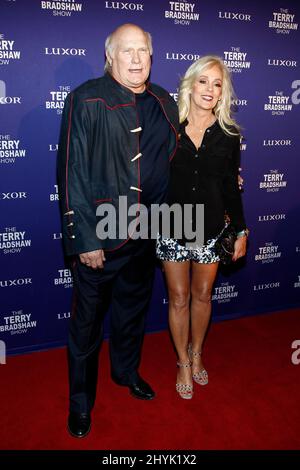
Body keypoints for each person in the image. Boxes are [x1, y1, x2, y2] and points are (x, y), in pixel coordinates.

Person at [57, 23, 178, 437]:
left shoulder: (164, 101)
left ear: (152, 54)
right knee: (87, 327)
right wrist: (85, 239)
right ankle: (81, 403)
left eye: (142, 50)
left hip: (146, 236)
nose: (135, 59)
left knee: (131, 316)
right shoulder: (85, 98)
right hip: (102, 241)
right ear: (109, 56)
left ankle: (126, 374)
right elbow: (72, 173)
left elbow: (174, 163)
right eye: (126, 51)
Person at [156, 56, 248, 399]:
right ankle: (181, 360)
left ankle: (197, 354)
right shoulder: (168, 126)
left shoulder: (228, 135)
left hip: (209, 227)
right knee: (178, 297)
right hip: (171, 224)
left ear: (223, 93)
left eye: (218, 84)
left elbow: (229, 186)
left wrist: (240, 230)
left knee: (202, 296)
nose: (210, 89)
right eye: (203, 81)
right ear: (190, 85)